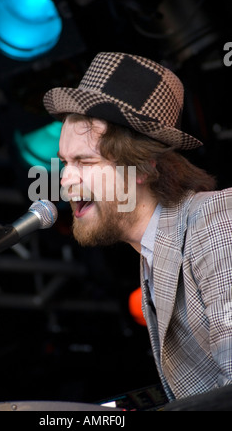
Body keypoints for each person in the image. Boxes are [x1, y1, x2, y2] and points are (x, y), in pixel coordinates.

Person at [43, 52, 232, 401]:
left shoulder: (216, 222)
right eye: (65, 162)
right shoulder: (152, 252)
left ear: (142, 167)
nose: (65, 179)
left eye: (84, 161)